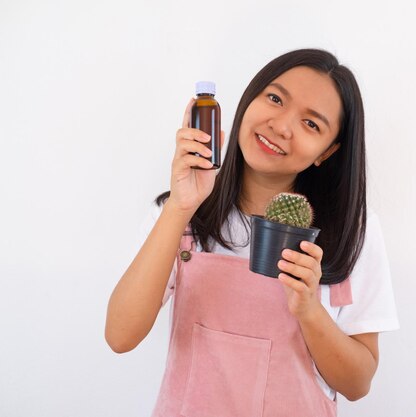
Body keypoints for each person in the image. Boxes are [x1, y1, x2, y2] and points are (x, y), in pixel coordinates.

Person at [105, 48, 399, 417]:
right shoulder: (181, 213)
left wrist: (309, 310)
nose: (281, 126)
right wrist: (181, 206)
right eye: (275, 98)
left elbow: (358, 383)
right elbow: (119, 336)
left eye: (312, 124)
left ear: (328, 151)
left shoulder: (351, 232)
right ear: (248, 99)